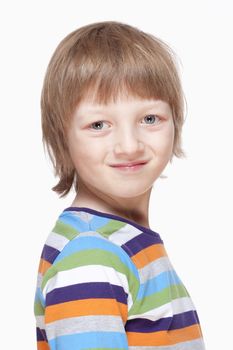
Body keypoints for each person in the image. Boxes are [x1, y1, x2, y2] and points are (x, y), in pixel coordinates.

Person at [34, 20, 205, 349]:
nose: (129, 144)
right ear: (61, 138)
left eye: (149, 119)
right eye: (99, 124)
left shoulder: (120, 241)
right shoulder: (92, 255)